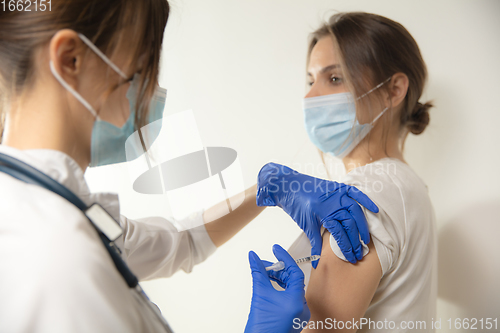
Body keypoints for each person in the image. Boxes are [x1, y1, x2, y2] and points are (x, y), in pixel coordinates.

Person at [0, 1, 377, 332]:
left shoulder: (47, 206)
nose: (150, 91)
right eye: (140, 68)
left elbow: (181, 242)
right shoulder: (56, 255)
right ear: (71, 59)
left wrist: (269, 188)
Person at [257, 12, 437, 332]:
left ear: (394, 89)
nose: (309, 97)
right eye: (311, 80)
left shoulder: (364, 195)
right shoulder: (407, 186)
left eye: (334, 78)